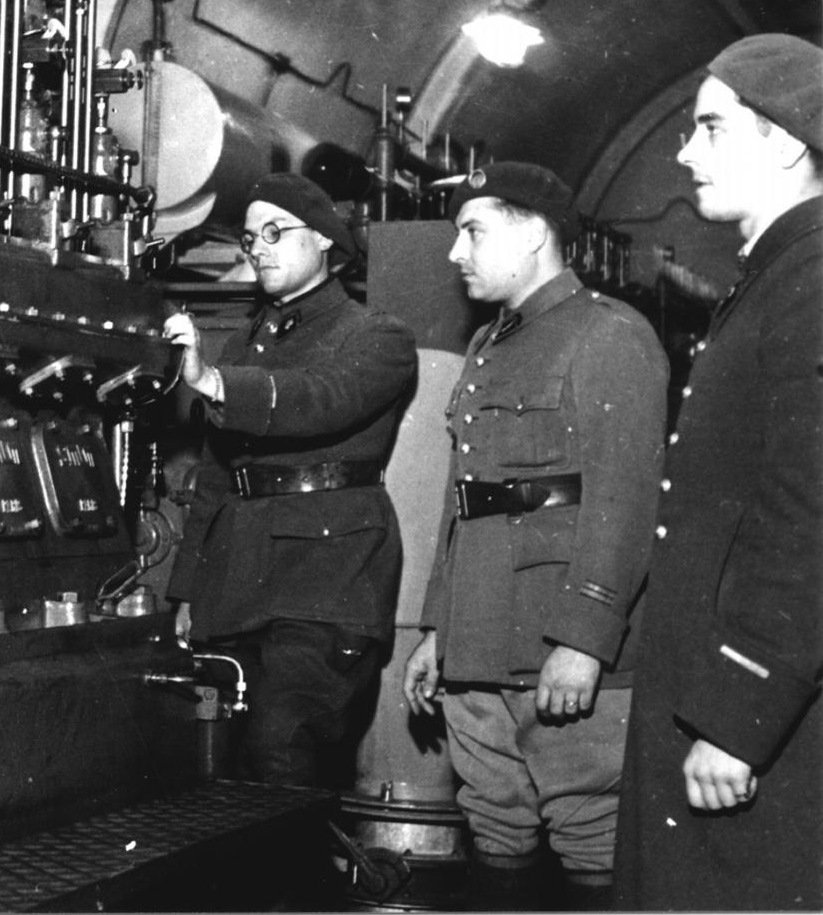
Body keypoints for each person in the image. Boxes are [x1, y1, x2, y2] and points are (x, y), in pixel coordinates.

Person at [400, 162, 666, 909]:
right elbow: (466, 495)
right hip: (477, 641)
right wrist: (435, 630)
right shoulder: (488, 344)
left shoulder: (608, 334)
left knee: (591, 831)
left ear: (535, 230)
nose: (457, 253)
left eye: (473, 231)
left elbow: (626, 500)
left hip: (559, 639)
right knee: (494, 829)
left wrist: (584, 638)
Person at [614, 35, 823, 912]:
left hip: (748, 719)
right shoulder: (778, 275)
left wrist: (738, 717)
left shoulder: (811, 280)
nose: (683, 152)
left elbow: (809, 514)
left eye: (710, 128)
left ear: (782, 140)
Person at [163, 172, 417, 788]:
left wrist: (219, 384)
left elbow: (322, 398)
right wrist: (188, 589)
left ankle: (295, 886)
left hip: (327, 581)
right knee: (227, 764)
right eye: (250, 238)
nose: (259, 248)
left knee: (282, 752)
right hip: (240, 578)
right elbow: (215, 475)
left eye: (275, 232)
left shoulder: (377, 337)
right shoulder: (248, 341)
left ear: (325, 240)